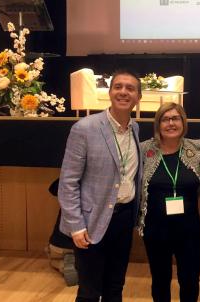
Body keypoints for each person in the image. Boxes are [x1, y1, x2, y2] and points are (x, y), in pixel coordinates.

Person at [58, 69, 143, 302]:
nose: (123, 92)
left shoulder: (134, 129)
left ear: (138, 97)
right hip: (91, 223)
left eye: (130, 88)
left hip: (124, 219)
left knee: (115, 286)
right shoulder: (85, 128)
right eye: (118, 87)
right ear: (110, 92)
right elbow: (68, 182)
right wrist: (76, 225)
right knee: (89, 290)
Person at [138, 102, 200, 302]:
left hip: (188, 229)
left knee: (190, 280)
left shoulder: (198, 148)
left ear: (183, 122)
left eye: (175, 118)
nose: (171, 123)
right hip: (155, 229)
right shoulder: (144, 150)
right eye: (165, 119)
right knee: (160, 279)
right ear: (158, 124)